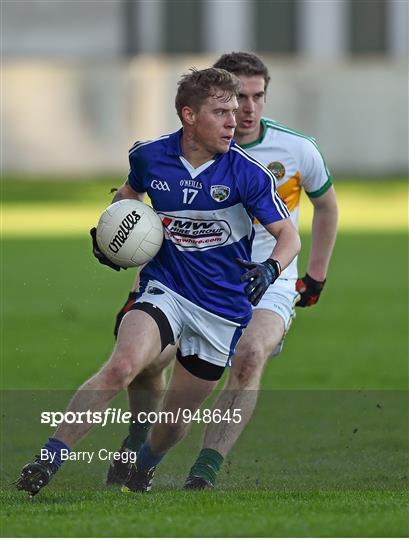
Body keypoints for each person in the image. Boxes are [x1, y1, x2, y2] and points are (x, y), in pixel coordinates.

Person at [16, 67, 300, 496]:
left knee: (172, 423)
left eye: (236, 110)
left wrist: (269, 269)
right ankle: (47, 460)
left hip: (221, 310)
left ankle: (144, 463)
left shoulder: (248, 174)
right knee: (122, 367)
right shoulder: (150, 157)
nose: (234, 120)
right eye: (221, 112)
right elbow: (129, 195)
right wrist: (110, 235)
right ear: (189, 115)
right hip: (164, 288)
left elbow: (289, 237)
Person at [108, 53, 338, 490]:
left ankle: (204, 472)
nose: (247, 109)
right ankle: (138, 438)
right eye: (238, 99)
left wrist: (315, 276)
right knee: (148, 362)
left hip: (268, 275)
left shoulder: (297, 149)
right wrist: (135, 282)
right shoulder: (176, 151)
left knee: (249, 358)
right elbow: (149, 219)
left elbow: (327, 207)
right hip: (186, 271)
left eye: (257, 97)